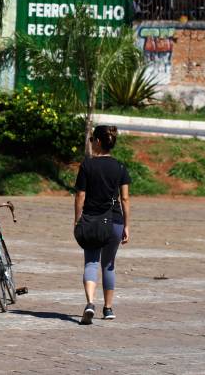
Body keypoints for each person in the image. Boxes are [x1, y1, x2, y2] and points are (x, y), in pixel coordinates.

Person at [73, 125, 131, 324]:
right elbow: (125, 199)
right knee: (109, 265)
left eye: (91, 140)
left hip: (91, 221)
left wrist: (77, 218)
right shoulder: (120, 167)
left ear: (98, 141)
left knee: (91, 262)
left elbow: (81, 195)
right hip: (114, 221)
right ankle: (108, 309)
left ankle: (90, 303)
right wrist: (126, 225)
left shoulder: (87, 166)